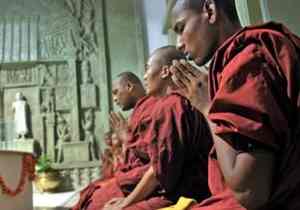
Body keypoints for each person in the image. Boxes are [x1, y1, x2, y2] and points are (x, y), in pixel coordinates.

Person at [170, 0, 300, 209]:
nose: (178, 43)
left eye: (181, 27)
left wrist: (206, 107)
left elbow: (249, 191)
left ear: (210, 11)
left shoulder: (247, 61)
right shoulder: (238, 61)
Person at [103, 46, 212, 210]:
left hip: (180, 193)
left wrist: (125, 203)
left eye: (147, 69)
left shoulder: (169, 106)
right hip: (191, 185)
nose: (145, 76)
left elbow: (159, 170)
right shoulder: (188, 99)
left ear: (165, 71)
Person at [73, 71, 158, 210]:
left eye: (115, 92)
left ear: (129, 86)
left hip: (143, 181)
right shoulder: (136, 114)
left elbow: (156, 159)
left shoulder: (154, 109)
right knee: (90, 196)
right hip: (131, 178)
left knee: (94, 204)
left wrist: (126, 138)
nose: (114, 98)